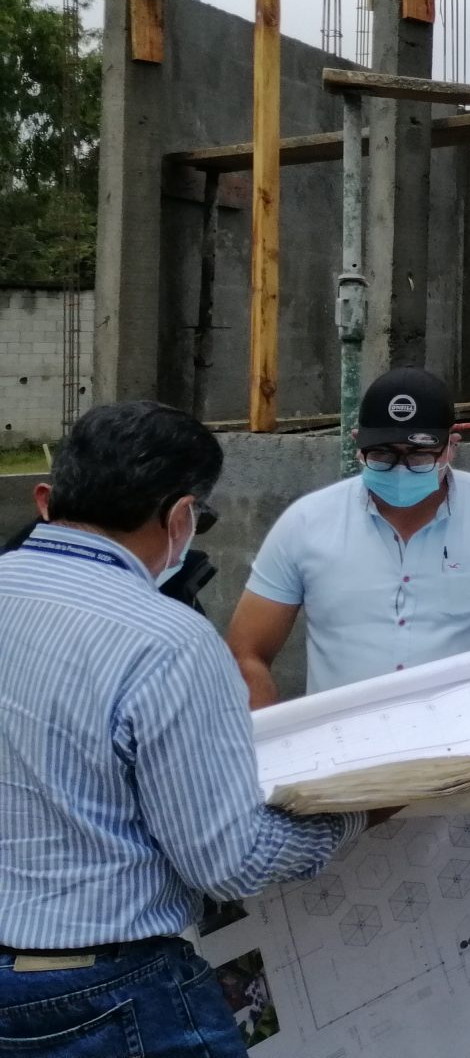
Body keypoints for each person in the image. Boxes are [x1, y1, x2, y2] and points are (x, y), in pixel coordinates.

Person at [0, 401, 368, 1055]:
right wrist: (359, 813)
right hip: (110, 991)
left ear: (46, 499)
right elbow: (228, 861)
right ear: (179, 518)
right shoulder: (168, 640)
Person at [225, 366, 470, 707]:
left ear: (451, 447)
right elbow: (246, 653)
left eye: (419, 456)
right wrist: (273, 739)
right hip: (343, 740)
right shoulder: (306, 523)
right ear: (357, 446)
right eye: (382, 455)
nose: (400, 470)